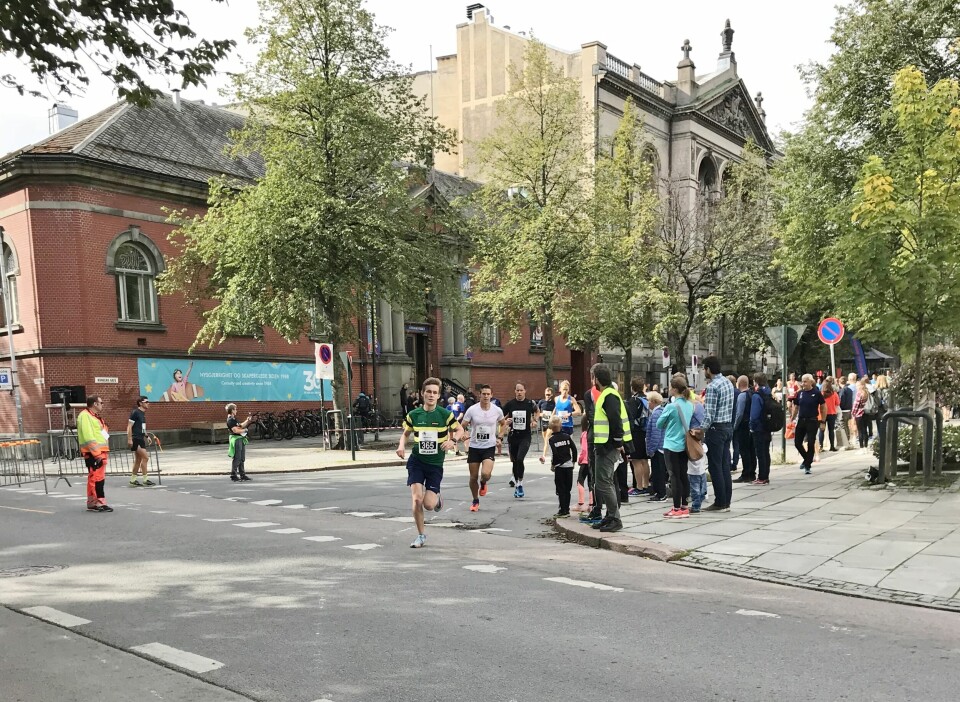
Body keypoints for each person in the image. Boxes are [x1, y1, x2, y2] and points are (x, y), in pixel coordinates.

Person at [396, 377, 461, 548]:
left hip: (434, 465)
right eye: (428, 392)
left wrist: (453, 442)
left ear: (439, 396)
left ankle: (437, 499)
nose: (431, 395)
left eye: (434, 392)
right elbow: (405, 433)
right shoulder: (414, 415)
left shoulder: (445, 414)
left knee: (429, 505)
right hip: (417, 461)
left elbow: (460, 429)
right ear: (422, 394)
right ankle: (421, 535)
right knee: (417, 500)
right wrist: (401, 446)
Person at [588, 363, 631, 532]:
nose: (592, 380)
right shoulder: (607, 395)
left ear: (596, 379)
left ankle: (615, 518)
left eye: (592, 377)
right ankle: (610, 515)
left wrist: (619, 443)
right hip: (604, 445)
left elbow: (616, 421)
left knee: (604, 482)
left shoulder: (609, 396)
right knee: (602, 482)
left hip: (607, 446)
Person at [461, 384, 504, 512]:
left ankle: (484, 483)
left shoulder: (496, 410)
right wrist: (464, 433)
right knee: (473, 477)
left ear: (491, 395)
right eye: (483, 394)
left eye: (488, 394)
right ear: (479, 395)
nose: (486, 396)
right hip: (474, 446)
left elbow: (503, 423)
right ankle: (475, 500)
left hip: (489, 446)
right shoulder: (472, 410)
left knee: (485, 474)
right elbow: (462, 425)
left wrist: (500, 437)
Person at [657, 375, 695, 519]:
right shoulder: (690, 405)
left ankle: (676, 508)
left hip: (671, 445)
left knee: (674, 476)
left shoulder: (672, 406)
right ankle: (684, 505)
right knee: (683, 475)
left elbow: (659, 424)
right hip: (684, 444)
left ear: (673, 389)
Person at [701, 356, 735, 512]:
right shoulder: (728, 382)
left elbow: (709, 413)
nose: (704, 372)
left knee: (715, 467)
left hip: (716, 429)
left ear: (708, 369)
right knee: (724, 466)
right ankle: (726, 501)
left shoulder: (713, 387)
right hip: (727, 427)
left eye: (704, 369)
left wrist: (701, 429)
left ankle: (720, 502)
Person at [502, 382, 539, 498]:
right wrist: (505, 422)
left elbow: (537, 411)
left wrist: (535, 421)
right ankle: (517, 483)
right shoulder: (510, 404)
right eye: (517, 390)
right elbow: (501, 417)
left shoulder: (530, 403)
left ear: (525, 391)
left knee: (520, 459)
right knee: (514, 461)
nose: (519, 392)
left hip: (525, 436)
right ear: (515, 391)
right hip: (513, 436)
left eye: (521, 390)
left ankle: (520, 484)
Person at [77, 396, 113, 512]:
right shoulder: (85, 416)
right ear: (95, 404)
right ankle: (99, 503)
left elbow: (99, 433)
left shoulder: (93, 416)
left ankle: (92, 502)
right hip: (94, 453)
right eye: (101, 402)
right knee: (97, 479)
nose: (103, 404)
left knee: (95, 477)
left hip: (98, 452)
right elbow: (89, 437)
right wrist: (97, 454)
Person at [540, 416, 577, 517]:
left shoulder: (552, 440)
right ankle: (567, 509)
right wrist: (573, 461)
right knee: (567, 489)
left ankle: (562, 509)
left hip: (559, 467)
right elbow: (574, 449)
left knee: (560, 489)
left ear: (550, 427)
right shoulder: (567, 437)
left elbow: (555, 454)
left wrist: (553, 465)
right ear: (561, 425)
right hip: (569, 465)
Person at [794, 374, 824, 474]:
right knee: (797, 443)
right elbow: (796, 406)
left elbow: (823, 407)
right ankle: (807, 459)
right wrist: (793, 417)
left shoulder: (816, 393)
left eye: (805, 381)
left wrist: (823, 421)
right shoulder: (800, 393)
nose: (803, 384)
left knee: (811, 442)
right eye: (802, 381)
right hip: (801, 420)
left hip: (812, 420)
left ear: (811, 382)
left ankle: (807, 466)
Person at [626, 378, 651, 496]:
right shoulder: (647, 399)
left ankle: (639, 487)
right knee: (644, 460)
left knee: (636, 461)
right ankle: (646, 485)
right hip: (645, 431)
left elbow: (631, 417)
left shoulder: (634, 400)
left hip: (636, 432)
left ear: (633, 388)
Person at [750, 373, 774, 485]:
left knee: (760, 453)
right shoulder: (768, 392)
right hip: (767, 426)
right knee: (766, 452)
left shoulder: (757, 395)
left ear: (756, 381)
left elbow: (754, 414)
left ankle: (761, 477)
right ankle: (766, 475)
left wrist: (752, 427)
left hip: (759, 427)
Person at [732, 376, 756, 483]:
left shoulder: (742, 396)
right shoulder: (752, 394)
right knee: (751, 450)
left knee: (744, 450)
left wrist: (735, 426)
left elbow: (739, 413)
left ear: (739, 383)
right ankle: (752, 473)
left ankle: (746, 474)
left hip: (743, 426)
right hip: (751, 425)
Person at [126, 395, 154, 487]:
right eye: (146, 402)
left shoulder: (143, 414)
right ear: (140, 403)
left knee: (138, 459)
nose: (148, 403)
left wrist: (146, 436)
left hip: (141, 438)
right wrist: (130, 439)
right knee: (145, 457)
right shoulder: (135, 412)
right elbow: (129, 426)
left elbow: (142, 427)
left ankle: (133, 480)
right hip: (136, 438)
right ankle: (145, 479)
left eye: (148, 402)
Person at [645, 392, 668, 502]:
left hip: (658, 448)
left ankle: (661, 494)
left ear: (653, 402)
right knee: (658, 471)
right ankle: (659, 493)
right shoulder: (659, 412)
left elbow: (655, 433)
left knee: (659, 472)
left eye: (649, 401)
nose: (648, 403)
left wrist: (651, 449)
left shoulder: (656, 414)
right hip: (660, 446)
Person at [226, 403, 252, 482]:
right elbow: (235, 430)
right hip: (236, 439)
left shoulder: (234, 419)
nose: (236, 410)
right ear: (232, 410)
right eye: (235, 409)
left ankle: (242, 474)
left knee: (242, 458)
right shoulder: (230, 420)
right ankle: (233, 475)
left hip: (240, 438)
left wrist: (247, 421)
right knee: (237, 457)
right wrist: (245, 430)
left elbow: (240, 426)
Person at [575, 414, 592, 511]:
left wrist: (580, 459)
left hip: (585, 461)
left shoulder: (584, 434)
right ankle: (591, 503)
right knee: (591, 482)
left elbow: (584, 449)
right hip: (592, 460)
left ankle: (581, 503)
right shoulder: (592, 433)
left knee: (580, 481)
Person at [819, 377, 840, 452]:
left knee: (821, 430)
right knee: (831, 430)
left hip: (822, 414)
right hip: (832, 413)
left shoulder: (820, 394)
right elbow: (838, 403)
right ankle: (832, 446)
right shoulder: (834, 394)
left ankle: (820, 446)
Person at [852, 380, 870, 449]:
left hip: (859, 414)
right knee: (865, 430)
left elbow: (856, 405)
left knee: (860, 431)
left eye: (858, 385)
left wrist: (853, 414)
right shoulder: (867, 392)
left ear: (862, 385)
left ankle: (861, 447)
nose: (857, 387)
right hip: (866, 412)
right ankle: (866, 445)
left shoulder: (859, 393)